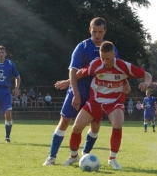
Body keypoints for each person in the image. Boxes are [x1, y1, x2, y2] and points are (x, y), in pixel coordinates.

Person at [43, 17, 120, 166]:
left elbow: (118, 69)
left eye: (100, 32)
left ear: (105, 31)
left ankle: (85, 154)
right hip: (78, 88)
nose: (97, 35)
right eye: (94, 32)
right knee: (65, 121)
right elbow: (73, 72)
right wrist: (76, 93)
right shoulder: (82, 47)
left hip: (96, 91)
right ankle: (52, 157)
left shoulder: (110, 48)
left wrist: (122, 85)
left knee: (95, 124)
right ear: (89, 30)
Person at [63, 41, 152, 170]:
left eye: (108, 59)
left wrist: (147, 82)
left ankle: (112, 159)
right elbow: (80, 74)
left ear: (114, 55)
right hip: (95, 102)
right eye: (102, 58)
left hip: (114, 102)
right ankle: (73, 156)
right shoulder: (96, 65)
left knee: (117, 124)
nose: (105, 61)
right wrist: (67, 82)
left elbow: (146, 74)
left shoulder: (123, 66)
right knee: (76, 128)